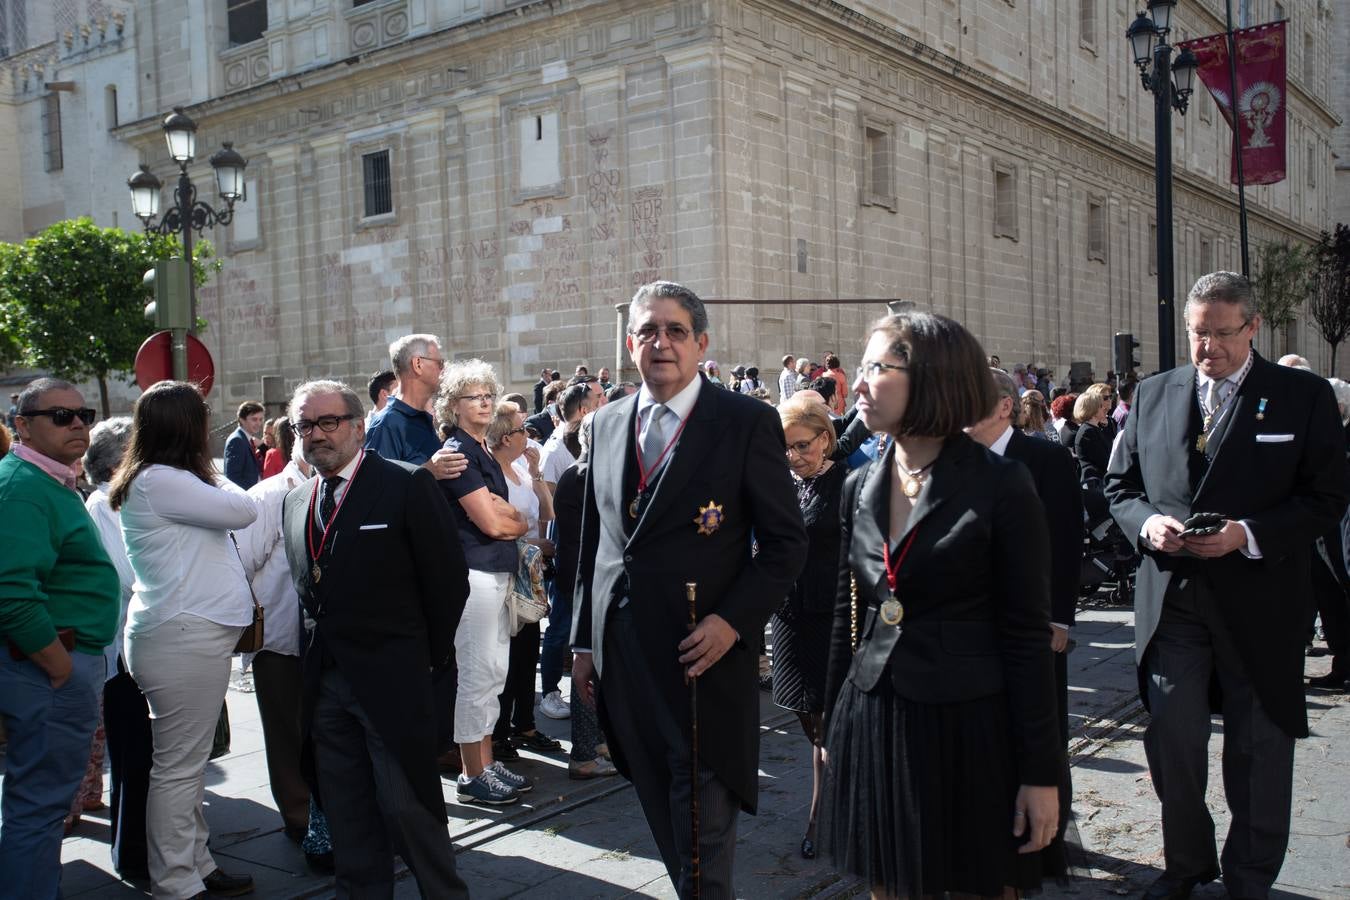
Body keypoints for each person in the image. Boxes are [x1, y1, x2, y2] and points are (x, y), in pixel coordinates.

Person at [1104, 271, 1350, 900]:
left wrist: (1248, 532)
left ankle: (1250, 877)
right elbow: (1119, 489)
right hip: (1175, 599)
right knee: (1173, 740)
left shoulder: (1301, 396)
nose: (1208, 347)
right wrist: (1148, 524)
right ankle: (1187, 863)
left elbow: (1326, 498)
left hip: (1261, 602)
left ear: (1253, 327)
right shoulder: (1155, 393)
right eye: (1196, 334)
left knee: (1259, 748)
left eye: (1221, 334)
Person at [571, 281, 807, 897]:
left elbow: (786, 544)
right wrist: (581, 641)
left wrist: (733, 622)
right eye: (648, 331)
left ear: (701, 343)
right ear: (630, 345)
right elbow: (594, 542)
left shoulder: (745, 421)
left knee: (701, 820)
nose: (661, 343)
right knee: (663, 807)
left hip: (700, 652)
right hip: (621, 651)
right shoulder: (607, 423)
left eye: (675, 331)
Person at [821, 313, 1067, 899]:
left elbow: (1026, 636)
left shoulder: (1001, 485)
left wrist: (1041, 773)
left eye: (877, 368)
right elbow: (847, 608)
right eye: (862, 367)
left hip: (971, 729)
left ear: (931, 378)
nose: (857, 384)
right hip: (876, 715)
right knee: (890, 885)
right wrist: (834, 721)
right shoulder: (859, 484)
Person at [280, 380, 469, 897]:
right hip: (326, 687)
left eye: (327, 422)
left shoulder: (406, 485)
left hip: (393, 680)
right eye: (304, 426)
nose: (315, 434)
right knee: (348, 816)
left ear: (359, 426)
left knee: (409, 810)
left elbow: (448, 582)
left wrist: (422, 662)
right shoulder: (295, 501)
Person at [110, 380, 258, 900]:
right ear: (185, 427)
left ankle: (197, 863)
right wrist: (213, 468)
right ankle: (176, 882)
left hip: (185, 631)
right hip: (182, 633)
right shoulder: (163, 481)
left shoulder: (157, 478)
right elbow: (244, 509)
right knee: (178, 768)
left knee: (187, 765)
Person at [0, 379, 119, 899]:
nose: (77, 424)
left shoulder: (45, 481)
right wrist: (59, 665)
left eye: (82, 414)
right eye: (60, 415)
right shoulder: (22, 485)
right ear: (22, 425)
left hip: (58, 665)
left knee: (41, 804)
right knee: (40, 805)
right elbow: (9, 591)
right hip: (48, 669)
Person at [969, 369, 1083, 750]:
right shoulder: (950, 462)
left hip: (1033, 623)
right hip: (969, 628)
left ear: (1005, 406)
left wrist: (1059, 619)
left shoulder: (1046, 459)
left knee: (1037, 736)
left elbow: (1065, 542)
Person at [235, 434, 334, 873]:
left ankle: (330, 816)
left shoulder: (334, 487)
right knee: (286, 731)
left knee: (326, 732)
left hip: (326, 638)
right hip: (280, 639)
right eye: (309, 428)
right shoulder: (269, 495)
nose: (320, 438)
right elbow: (241, 564)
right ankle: (299, 819)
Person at [436, 360, 532, 805]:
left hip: (495, 571)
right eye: (474, 396)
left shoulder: (483, 450)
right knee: (476, 673)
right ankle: (472, 773)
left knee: (494, 672)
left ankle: (487, 763)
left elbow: (515, 517)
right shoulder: (458, 451)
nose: (485, 402)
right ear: (453, 406)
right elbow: (493, 524)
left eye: (488, 395)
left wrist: (514, 519)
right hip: (473, 573)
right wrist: (514, 522)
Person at [773, 396, 844, 860]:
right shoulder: (784, 485)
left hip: (832, 620)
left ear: (825, 439)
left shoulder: (848, 484)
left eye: (801, 446)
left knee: (833, 727)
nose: (794, 456)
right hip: (788, 619)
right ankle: (830, 808)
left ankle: (829, 814)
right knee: (809, 722)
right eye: (786, 449)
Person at [77, 418, 145, 874]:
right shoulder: (103, 507)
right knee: (135, 762)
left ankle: (137, 850)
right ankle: (136, 856)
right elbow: (133, 579)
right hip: (125, 656)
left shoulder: (122, 505)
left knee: (142, 762)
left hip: (137, 653)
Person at [486, 401, 561, 761]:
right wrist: (534, 543)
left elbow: (548, 511)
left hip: (529, 573)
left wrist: (534, 474)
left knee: (528, 648)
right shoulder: (491, 474)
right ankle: (499, 733)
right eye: (520, 430)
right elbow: (496, 528)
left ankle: (525, 724)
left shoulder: (519, 468)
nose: (527, 436)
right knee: (507, 655)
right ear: (503, 438)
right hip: (506, 571)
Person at [551, 412, 618, 779]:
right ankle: (584, 752)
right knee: (586, 667)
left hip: (585, 579)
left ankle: (597, 743)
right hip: (588, 582)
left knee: (593, 666)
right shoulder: (585, 476)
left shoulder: (577, 474)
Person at [364, 334, 465, 480]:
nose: (444, 370)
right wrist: (427, 471)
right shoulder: (386, 424)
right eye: (440, 363)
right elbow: (376, 488)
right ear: (418, 364)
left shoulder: (424, 419)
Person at [1308, 377, 1350, 689]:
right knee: (1329, 597)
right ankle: (1342, 661)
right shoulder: (1321, 434)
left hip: (1344, 529)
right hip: (1322, 532)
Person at [1073, 389, 1112, 485]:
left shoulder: (1095, 428)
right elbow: (1104, 460)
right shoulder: (1088, 431)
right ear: (1092, 409)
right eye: (1100, 406)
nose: (1103, 408)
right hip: (1094, 483)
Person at [224, 400, 265, 490]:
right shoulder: (237, 440)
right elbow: (232, 478)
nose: (258, 423)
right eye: (254, 419)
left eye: (260, 419)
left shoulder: (246, 439)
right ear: (242, 420)